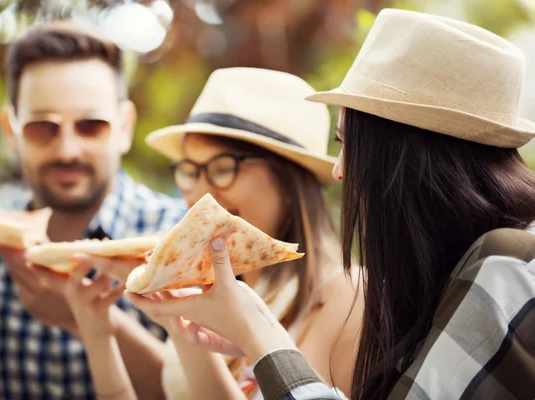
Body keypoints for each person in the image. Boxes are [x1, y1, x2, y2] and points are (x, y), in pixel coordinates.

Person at [127, 8, 535, 400]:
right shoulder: (457, 273)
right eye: (187, 169)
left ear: (404, 159)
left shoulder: (507, 263)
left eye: (349, 145)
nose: (339, 171)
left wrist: (259, 334)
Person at [75, 66, 363, 399]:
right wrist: (96, 329)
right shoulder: (217, 288)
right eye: (190, 170)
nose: (199, 197)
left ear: (290, 180)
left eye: (223, 167)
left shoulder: (351, 301)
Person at [0, 21, 186, 399]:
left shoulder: (176, 237)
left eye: (90, 125)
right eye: (43, 127)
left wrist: (81, 317)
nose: (68, 149)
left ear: (124, 127)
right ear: (10, 129)